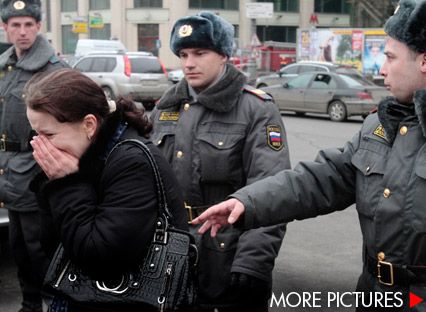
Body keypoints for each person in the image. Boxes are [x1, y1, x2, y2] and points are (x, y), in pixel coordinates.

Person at [193, 1, 426, 311]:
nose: (381, 69)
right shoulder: (381, 125)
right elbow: (319, 180)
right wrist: (247, 203)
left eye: (390, 57)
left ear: (424, 61)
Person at [150, 11, 291, 312]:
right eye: (184, 54)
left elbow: (271, 190)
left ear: (224, 55)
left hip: (227, 256)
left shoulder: (255, 109)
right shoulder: (166, 107)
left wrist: (253, 264)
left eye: (200, 53)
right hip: (170, 255)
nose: (188, 63)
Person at [24, 68, 188, 312]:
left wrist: (68, 184)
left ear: (89, 125)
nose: (39, 145)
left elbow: (101, 260)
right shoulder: (87, 158)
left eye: (48, 134)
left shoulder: (130, 162)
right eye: (35, 133)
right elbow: (54, 248)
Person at [0, 1, 68, 311]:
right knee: (18, 249)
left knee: (40, 248)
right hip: (7, 172)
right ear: (5, 28)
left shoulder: (53, 69)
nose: (22, 31)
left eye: (28, 24)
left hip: (36, 172)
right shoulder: (4, 67)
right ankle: (29, 305)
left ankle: (55, 304)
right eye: (15, 25)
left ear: (39, 26)